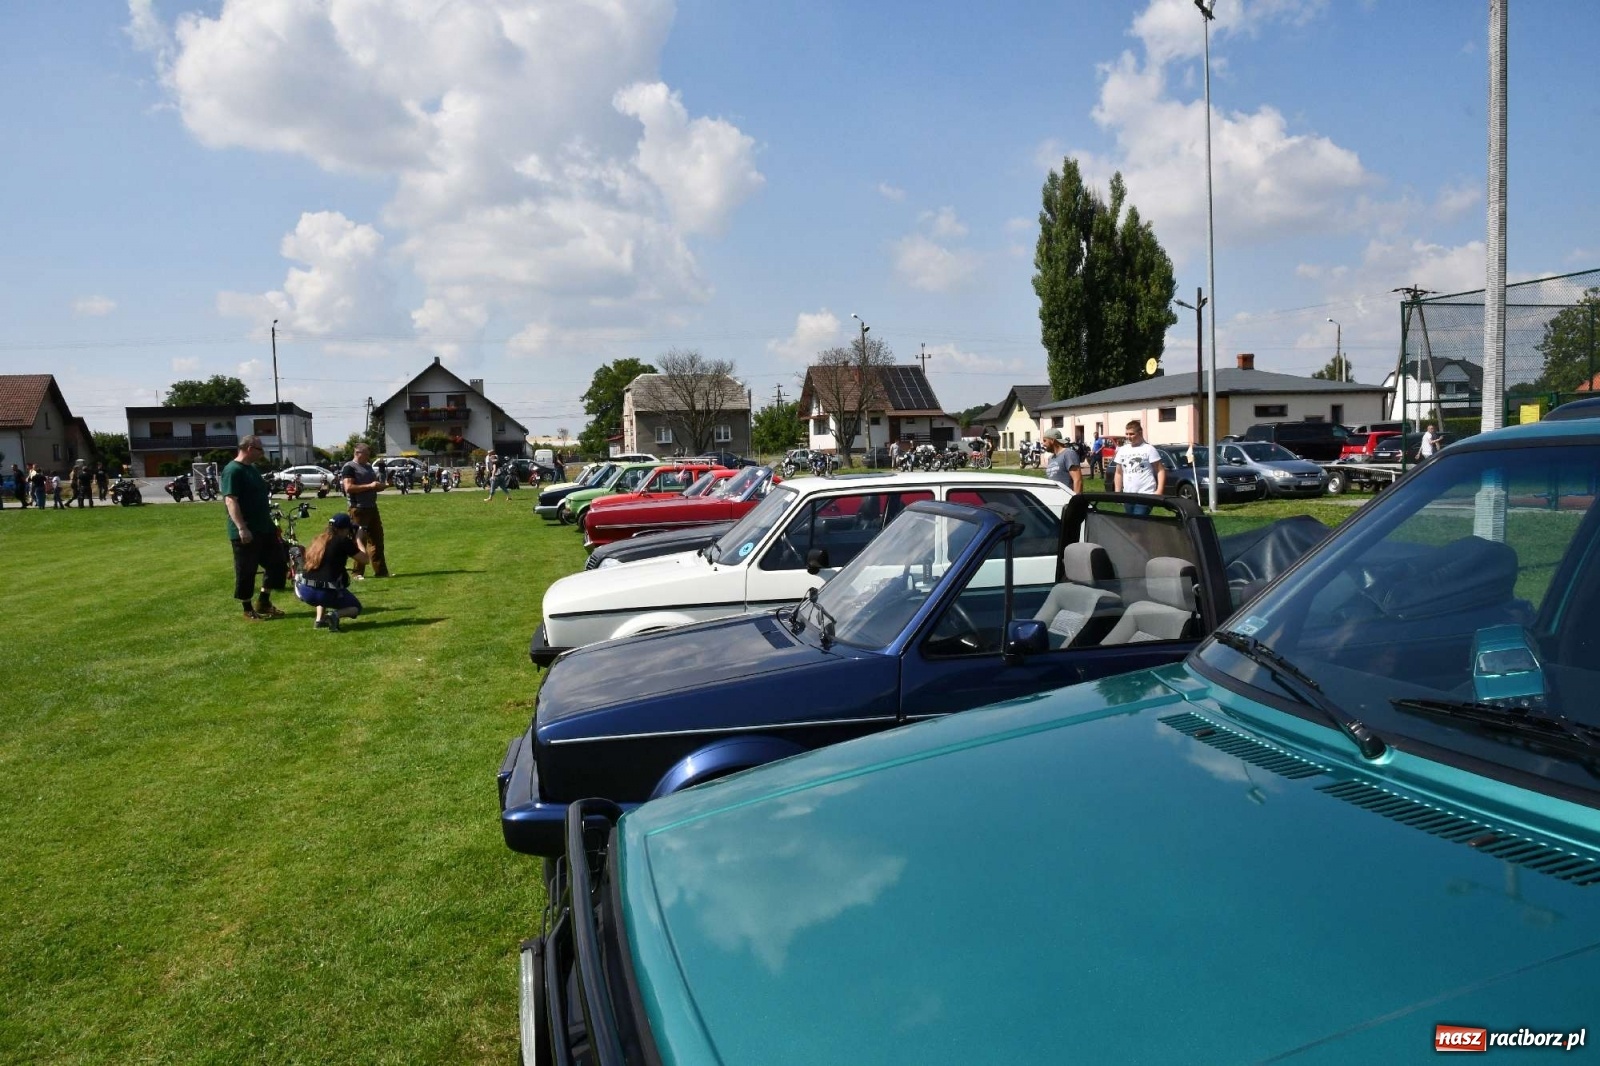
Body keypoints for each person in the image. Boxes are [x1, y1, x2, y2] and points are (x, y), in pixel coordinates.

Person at [222, 435, 288, 620]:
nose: (262, 453)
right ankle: (247, 608)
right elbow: (230, 500)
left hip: (264, 528)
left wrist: (272, 526)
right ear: (250, 448)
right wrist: (242, 528)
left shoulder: (252, 469)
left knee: (277, 564)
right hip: (246, 530)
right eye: (260, 449)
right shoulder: (233, 470)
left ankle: (264, 601)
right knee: (246, 570)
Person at [294, 512, 367, 632]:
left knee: (323, 582)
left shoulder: (319, 539)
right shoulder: (343, 541)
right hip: (324, 592)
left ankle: (319, 620)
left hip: (305, 590)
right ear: (344, 529)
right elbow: (365, 560)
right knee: (355, 607)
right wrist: (358, 539)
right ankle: (334, 616)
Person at [339, 443, 389, 578]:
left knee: (377, 540)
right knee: (359, 540)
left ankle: (381, 572)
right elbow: (348, 488)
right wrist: (370, 486)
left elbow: (372, 485)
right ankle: (357, 573)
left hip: (372, 507)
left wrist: (380, 486)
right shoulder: (349, 467)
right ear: (357, 453)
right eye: (366, 454)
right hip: (358, 509)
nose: (368, 457)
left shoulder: (367, 467)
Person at [1113, 420, 1166, 515]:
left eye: (1132, 434)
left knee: (1138, 521)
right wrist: (1117, 492)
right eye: (1127, 434)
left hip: (1146, 494)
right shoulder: (1122, 450)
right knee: (1132, 524)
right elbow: (1118, 472)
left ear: (1140, 433)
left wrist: (1159, 490)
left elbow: (1160, 470)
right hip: (1128, 494)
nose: (1128, 437)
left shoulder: (1149, 449)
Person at [1040, 428, 1083, 494]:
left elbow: (1078, 480)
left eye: (1045, 440)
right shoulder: (1050, 458)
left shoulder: (1068, 454)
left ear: (1052, 440)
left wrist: (1075, 501)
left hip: (1067, 500)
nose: (1043, 444)